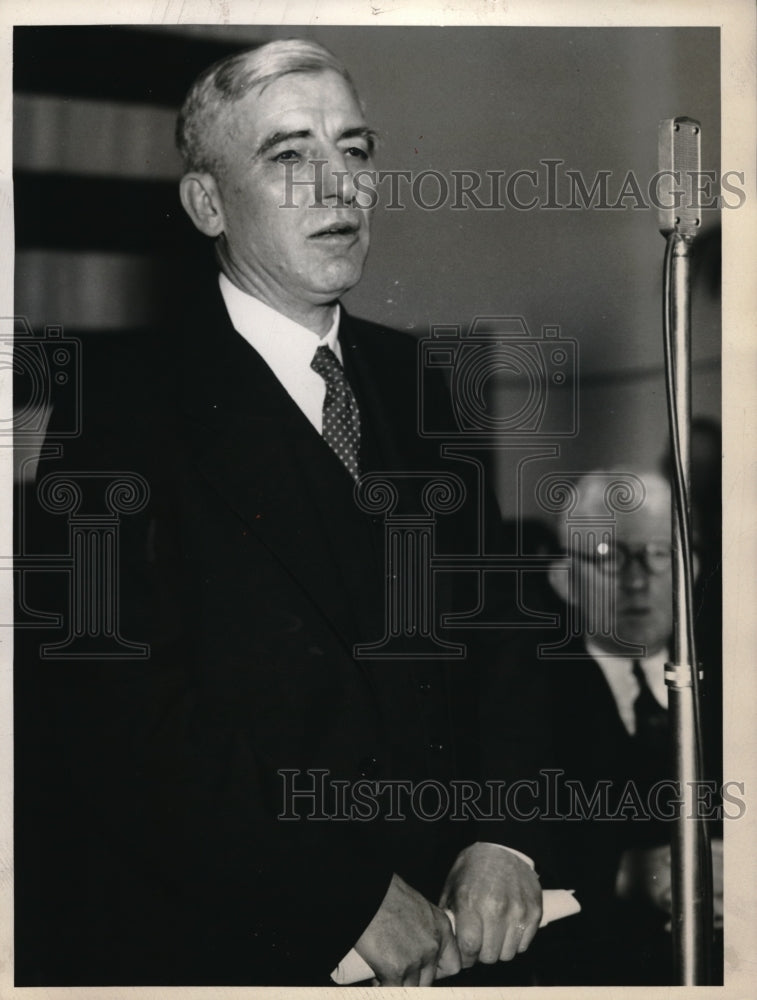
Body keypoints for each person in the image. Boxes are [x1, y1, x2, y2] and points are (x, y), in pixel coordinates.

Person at [15, 40, 546, 987]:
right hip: (250, 943)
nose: (335, 185)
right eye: (289, 154)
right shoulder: (119, 407)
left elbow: (503, 640)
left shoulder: (431, 383)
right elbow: (115, 717)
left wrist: (505, 837)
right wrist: (340, 891)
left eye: (354, 147)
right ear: (208, 204)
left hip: (462, 942)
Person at [521, 468, 723, 984]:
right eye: (609, 556)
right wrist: (630, 873)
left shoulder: (731, 689)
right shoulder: (524, 697)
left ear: (692, 569)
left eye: (659, 555)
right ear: (563, 578)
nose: (638, 579)